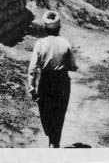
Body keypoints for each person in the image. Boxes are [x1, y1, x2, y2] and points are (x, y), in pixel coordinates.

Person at [28, 11, 77, 148]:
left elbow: (32, 68)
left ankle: (51, 136)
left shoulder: (40, 43)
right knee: (59, 112)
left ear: (44, 28)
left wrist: (32, 87)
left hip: (46, 81)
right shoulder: (65, 43)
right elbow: (73, 66)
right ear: (59, 28)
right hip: (62, 82)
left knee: (45, 110)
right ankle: (55, 140)